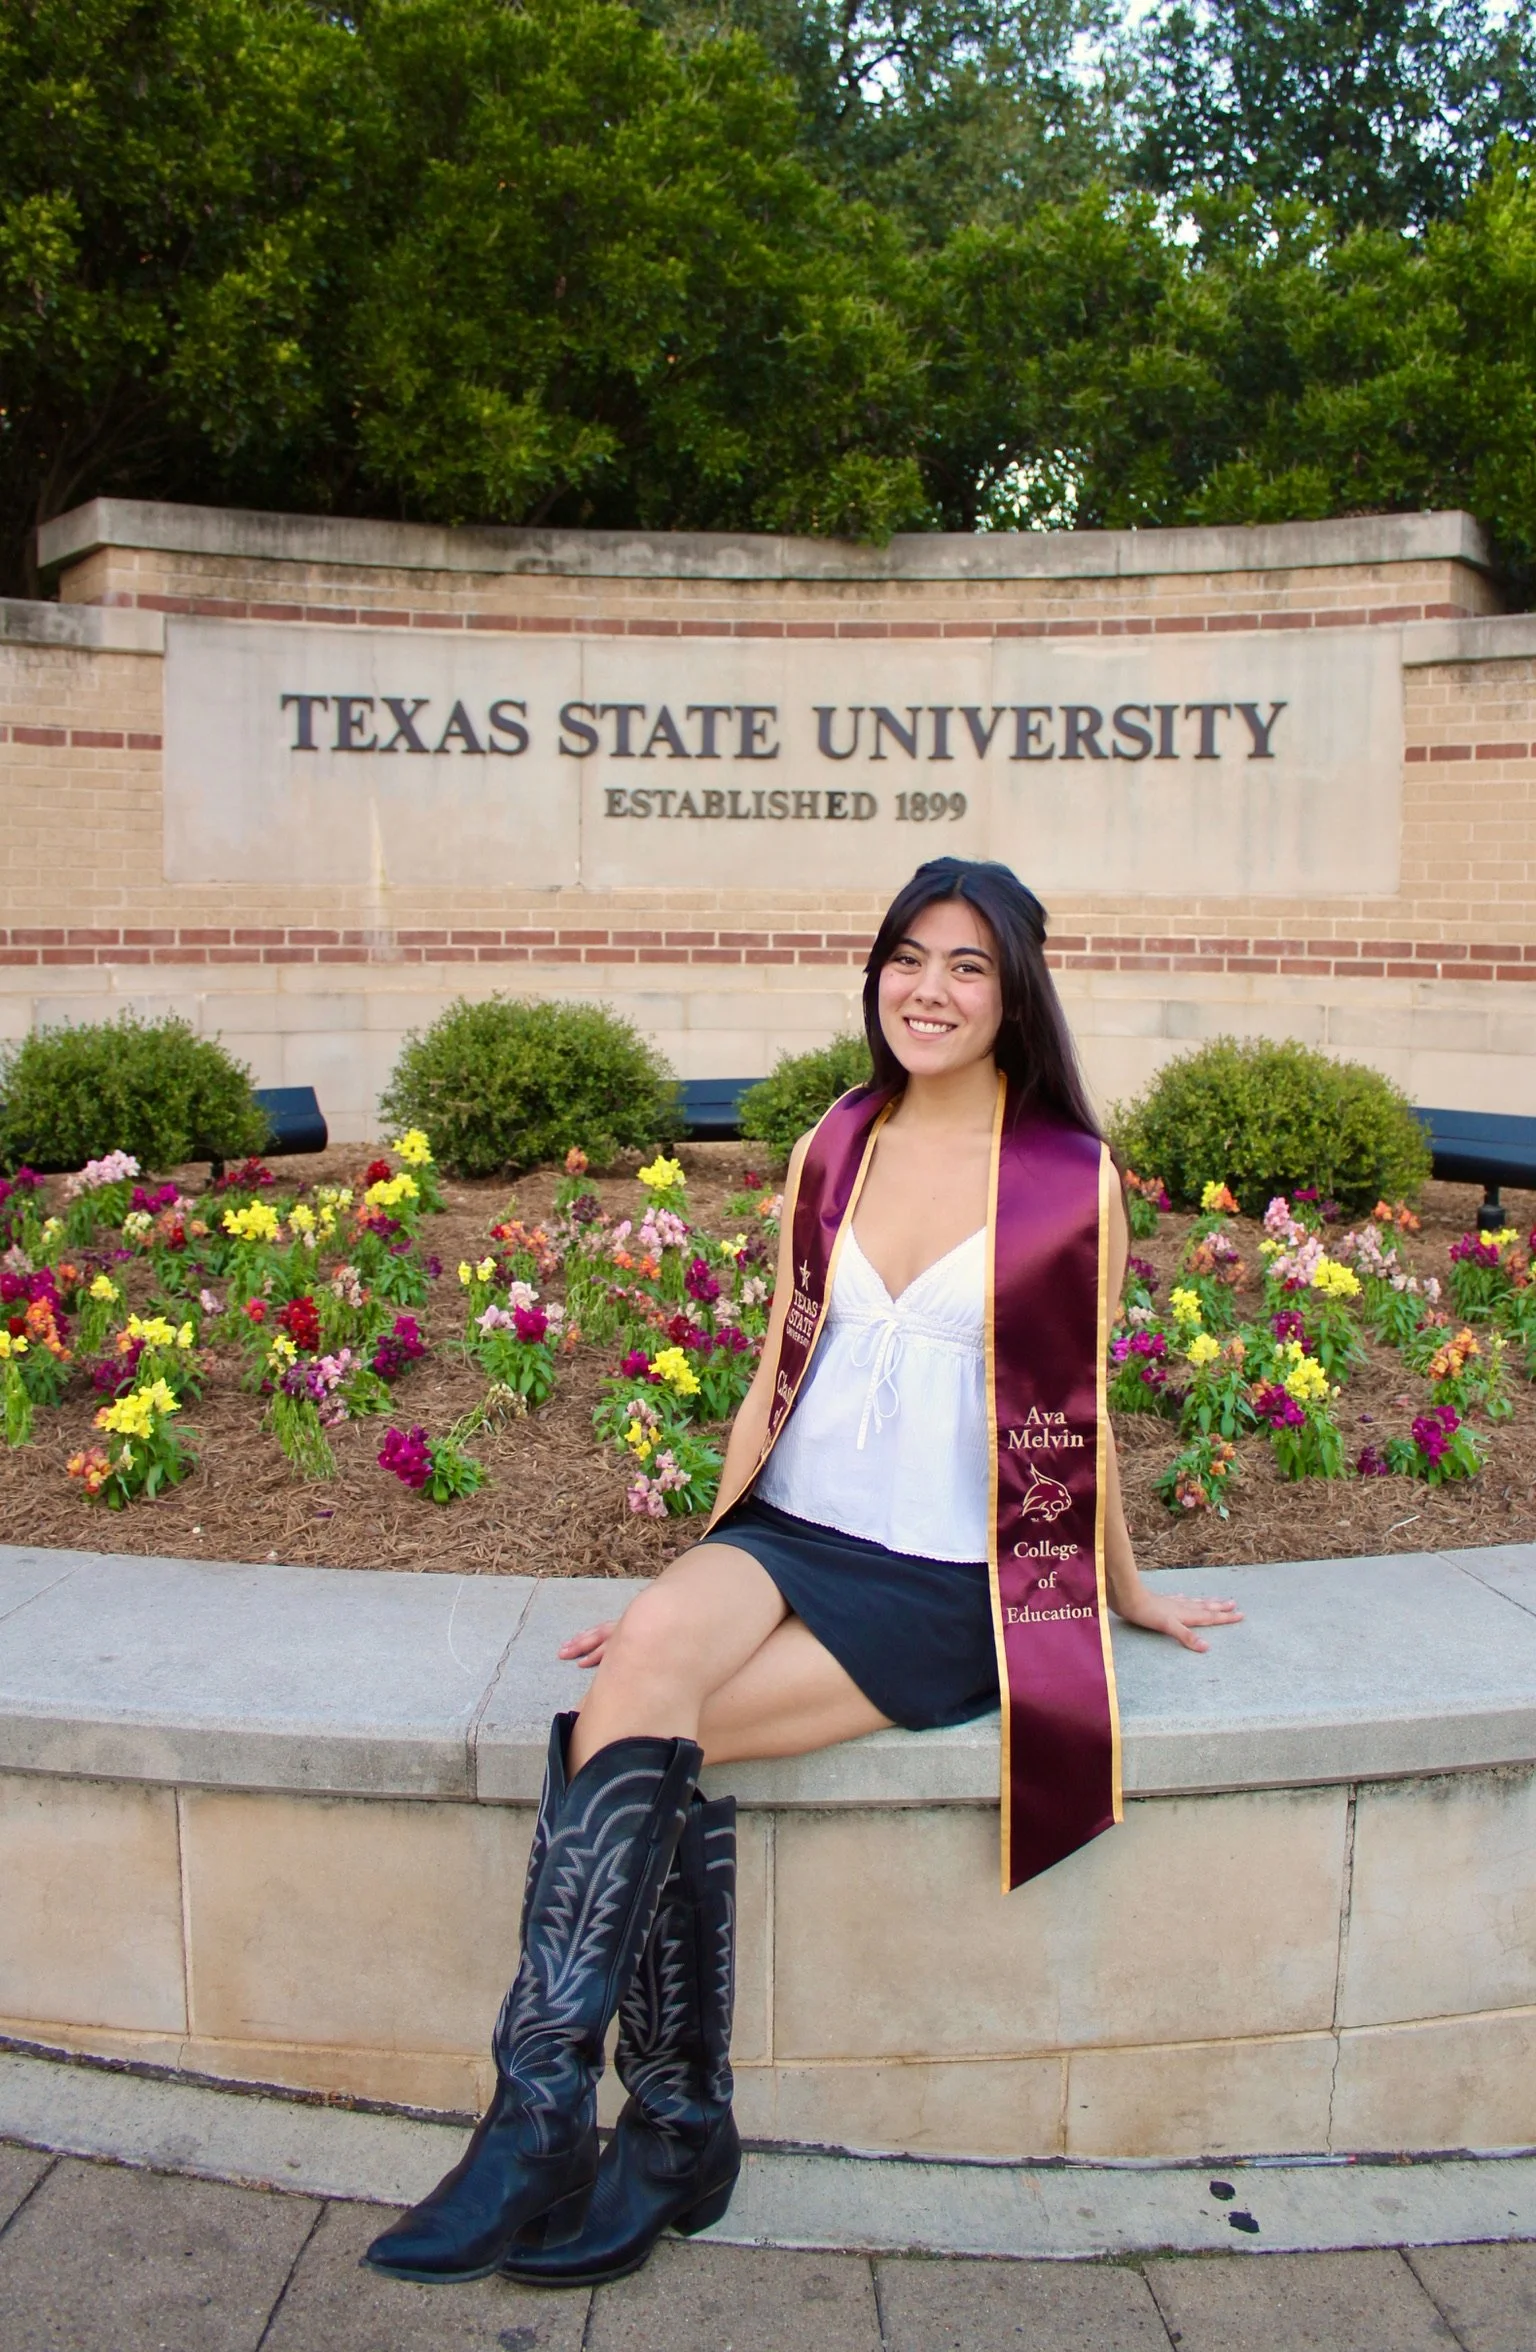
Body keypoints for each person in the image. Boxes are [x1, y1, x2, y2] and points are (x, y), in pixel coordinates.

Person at [364, 857, 1241, 2293]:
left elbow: (1079, 1412)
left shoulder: (1066, 1177)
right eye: (908, 957)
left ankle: (661, 2134)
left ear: (1016, 987)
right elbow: (775, 1372)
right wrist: (691, 1578)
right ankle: (547, 2121)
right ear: (876, 974)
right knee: (650, 1670)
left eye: (966, 965)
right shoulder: (838, 1139)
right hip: (790, 1530)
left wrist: (1124, 1591)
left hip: (944, 1581)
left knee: (636, 1739)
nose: (930, 991)